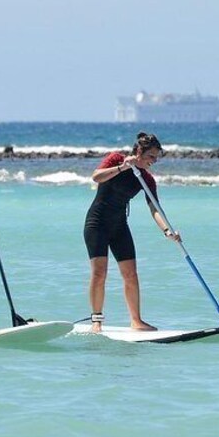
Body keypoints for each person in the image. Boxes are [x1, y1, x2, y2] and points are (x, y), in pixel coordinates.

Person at [83, 132, 182, 333]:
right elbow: (96, 177)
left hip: (119, 226)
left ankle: (136, 321)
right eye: (151, 157)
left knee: (130, 274)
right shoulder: (116, 159)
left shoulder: (146, 178)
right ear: (138, 151)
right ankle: (96, 321)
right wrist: (122, 167)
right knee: (100, 273)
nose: (154, 161)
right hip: (97, 224)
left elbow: (154, 208)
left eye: (156, 158)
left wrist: (167, 231)